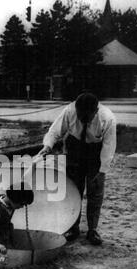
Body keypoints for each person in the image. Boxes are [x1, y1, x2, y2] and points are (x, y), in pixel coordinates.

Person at [38, 92, 117, 246]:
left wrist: (101, 171)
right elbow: (55, 131)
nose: (81, 119)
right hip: (74, 149)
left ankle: (92, 230)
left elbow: (109, 147)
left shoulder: (108, 118)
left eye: (86, 116)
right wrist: (48, 146)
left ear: (95, 111)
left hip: (95, 152)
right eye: (79, 115)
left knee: (95, 192)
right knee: (73, 190)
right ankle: (72, 228)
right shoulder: (69, 111)